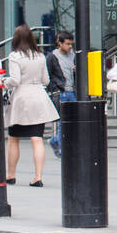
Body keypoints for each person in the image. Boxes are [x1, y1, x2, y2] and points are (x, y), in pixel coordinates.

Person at [3, 25, 59, 187]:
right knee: (37, 139)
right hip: (38, 97)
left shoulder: (14, 56)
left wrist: (4, 83)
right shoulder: (40, 56)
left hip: (21, 98)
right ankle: (38, 176)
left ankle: (11, 174)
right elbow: (46, 80)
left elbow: (15, 80)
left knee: (13, 138)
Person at [46, 31, 77, 159]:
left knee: (74, 121)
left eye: (71, 44)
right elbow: (48, 75)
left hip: (72, 91)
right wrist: (54, 89)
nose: (70, 46)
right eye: (67, 44)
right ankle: (62, 148)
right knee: (63, 122)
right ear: (60, 43)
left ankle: (55, 141)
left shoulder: (73, 55)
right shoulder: (52, 57)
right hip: (61, 92)